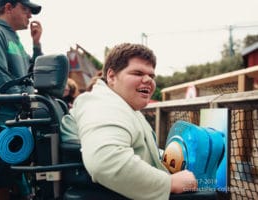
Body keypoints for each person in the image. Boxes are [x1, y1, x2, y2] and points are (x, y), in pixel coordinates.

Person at [64, 43, 198, 199]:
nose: (148, 79)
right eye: (137, 73)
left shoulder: (122, 104)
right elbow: (106, 161)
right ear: (112, 76)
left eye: (152, 75)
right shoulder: (103, 105)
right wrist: (170, 183)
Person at [0, 0, 43, 199]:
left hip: (13, 120)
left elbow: (33, 74)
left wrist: (36, 45)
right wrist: (28, 99)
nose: (30, 15)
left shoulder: (15, 39)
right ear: (9, 7)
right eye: (26, 9)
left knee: (6, 186)